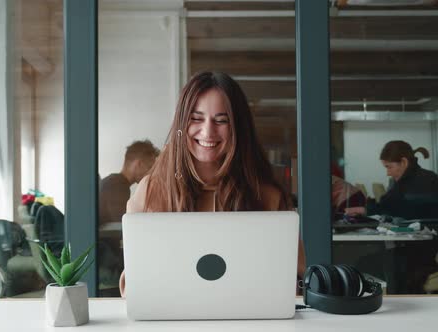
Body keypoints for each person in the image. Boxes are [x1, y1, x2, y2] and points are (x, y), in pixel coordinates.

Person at [119, 71, 306, 296]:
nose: (208, 131)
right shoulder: (150, 191)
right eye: (196, 118)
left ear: (238, 128)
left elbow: (295, 279)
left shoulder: (267, 195)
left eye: (221, 120)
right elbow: (132, 284)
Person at [98, 140, 159, 296]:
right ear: (138, 164)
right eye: (149, 167)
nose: (150, 173)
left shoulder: (113, 182)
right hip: (105, 257)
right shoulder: (117, 185)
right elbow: (124, 225)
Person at [345, 140, 438, 220]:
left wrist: (366, 210)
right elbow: (388, 204)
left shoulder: (426, 180)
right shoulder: (404, 182)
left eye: (389, 167)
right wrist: (365, 210)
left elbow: (402, 210)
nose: (388, 173)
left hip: (430, 243)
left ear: (404, 162)